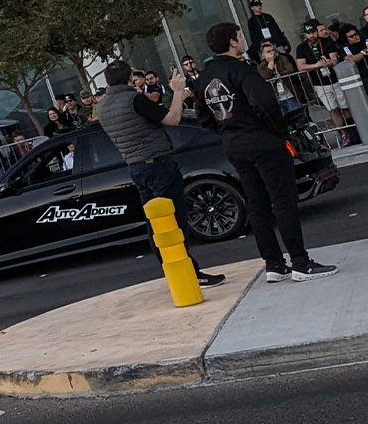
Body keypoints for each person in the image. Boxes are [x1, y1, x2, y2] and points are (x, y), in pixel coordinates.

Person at [199, 22, 338, 282]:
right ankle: (300, 261)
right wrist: (278, 131)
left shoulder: (205, 75)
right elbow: (265, 103)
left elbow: (203, 117)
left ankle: (273, 263)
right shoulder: (243, 70)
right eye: (239, 37)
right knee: (283, 200)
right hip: (261, 140)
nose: (242, 41)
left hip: (233, 144)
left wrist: (227, 131)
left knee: (257, 203)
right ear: (231, 41)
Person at [97, 60, 226, 286]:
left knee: (156, 222)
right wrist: (177, 91)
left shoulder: (102, 107)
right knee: (176, 220)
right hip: (157, 163)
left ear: (107, 81)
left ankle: (172, 271)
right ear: (130, 79)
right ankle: (189, 271)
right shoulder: (134, 99)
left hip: (135, 165)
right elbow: (173, 118)